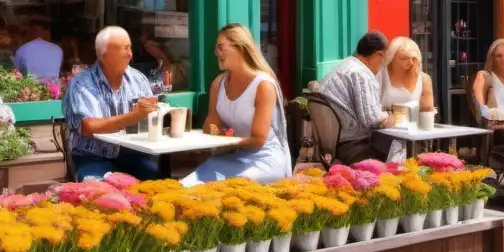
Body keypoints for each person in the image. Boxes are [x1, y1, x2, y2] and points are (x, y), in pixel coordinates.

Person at [182, 24, 291, 185]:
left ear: (240, 48)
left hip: (265, 161)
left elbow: (258, 140)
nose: (216, 53)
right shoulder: (218, 84)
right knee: (186, 184)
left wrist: (228, 140)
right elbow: (211, 125)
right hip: (232, 158)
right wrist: (214, 131)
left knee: (221, 187)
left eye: (221, 47)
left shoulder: (263, 86)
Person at [62, 26, 161, 181]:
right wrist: (132, 117)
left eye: (130, 48)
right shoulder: (82, 84)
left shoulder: (138, 79)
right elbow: (89, 127)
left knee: (158, 185)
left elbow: (151, 117)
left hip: (133, 155)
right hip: (93, 157)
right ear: (103, 54)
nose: (130, 54)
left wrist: (154, 111)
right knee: (98, 190)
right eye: (125, 49)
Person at [317, 31, 393, 164]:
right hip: (351, 145)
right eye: (383, 62)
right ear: (379, 55)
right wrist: (392, 118)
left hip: (334, 144)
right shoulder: (359, 73)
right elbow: (370, 119)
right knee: (396, 156)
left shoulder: (346, 66)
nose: (381, 68)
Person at [377, 37, 436, 162]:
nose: (409, 63)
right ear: (391, 58)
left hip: (414, 131)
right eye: (403, 59)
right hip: (384, 131)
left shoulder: (424, 79)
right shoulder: (381, 75)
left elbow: (427, 110)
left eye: (413, 59)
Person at [13, 16, 63, 80]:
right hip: (53, 89)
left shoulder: (22, 50)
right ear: (47, 32)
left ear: (30, 31)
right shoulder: (58, 50)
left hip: (30, 88)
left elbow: (17, 73)